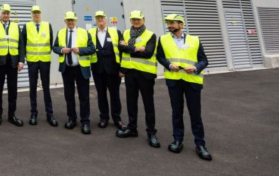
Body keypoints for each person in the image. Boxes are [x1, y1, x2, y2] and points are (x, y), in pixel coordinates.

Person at [157, 14, 212, 161]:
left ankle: (200, 144)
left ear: (181, 24)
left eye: (172, 23)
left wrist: (195, 68)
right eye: (168, 23)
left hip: (192, 81)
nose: (169, 25)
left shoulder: (195, 40)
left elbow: (204, 60)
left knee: (195, 114)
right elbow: (160, 57)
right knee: (176, 112)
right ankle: (177, 140)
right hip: (174, 81)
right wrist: (169, 65)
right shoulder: (163, 39)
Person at [116, 10, 160, 148]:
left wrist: (128, 48)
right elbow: (121, 48)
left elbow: (148, 53)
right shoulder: (125, 33)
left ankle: (151, 133)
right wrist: (136, 49)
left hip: (145, 74)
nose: (136, 22)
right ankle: (132, 128)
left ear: (143, 20)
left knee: (148, 104)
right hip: (130, 74)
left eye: (138, 19)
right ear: (130, 20)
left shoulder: (150, 35)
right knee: (131, 102)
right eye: (133, 19)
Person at [53, 11, 95, 135]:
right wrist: (62, 50)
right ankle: (71, 119)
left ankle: (85, 121)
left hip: (81, 68)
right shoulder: (61, 32)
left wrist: (80, 50)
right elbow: (54, 47)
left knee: (84, 96)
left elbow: (92, 48)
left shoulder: (84, 32)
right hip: (67, 69)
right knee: (69, 95)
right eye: (68, 20)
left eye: (72, 20)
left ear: (76, 21)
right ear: (65, 21)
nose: (70, 22)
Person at [0, 4, 25, 126]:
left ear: (10, 14)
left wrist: (21, 61)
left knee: (13, 90)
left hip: (13, 63)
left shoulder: (16, 27)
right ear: (0, 14)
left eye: (7, 13)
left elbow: (21, 45)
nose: (6, 15)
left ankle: (12, 115)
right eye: (4, 13)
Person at [89, 10, 125, 130]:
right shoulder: (90, 33)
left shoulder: (116, 32)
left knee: (115, 94)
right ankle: (104, 117)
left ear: (106, 19)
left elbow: (122, 51)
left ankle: (117, 118)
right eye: (98, 18)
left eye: (102, 17)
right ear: (96, 20)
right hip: (97, 69)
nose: (100, 19)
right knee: (101, 94)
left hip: (113, 70)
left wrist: (122, 69)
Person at [22, 5, 57, 126]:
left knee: (46, 88)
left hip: (44, 61)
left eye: (38, 12)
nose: (36, 14)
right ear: (32, 14)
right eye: (34, 12)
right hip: (32, 61)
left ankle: (50, 114)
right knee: (32, 88)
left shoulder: (47, 25)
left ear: (41, 13)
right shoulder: (26, 26)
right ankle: (33, 113)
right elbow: (23, 44)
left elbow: (50, 42)